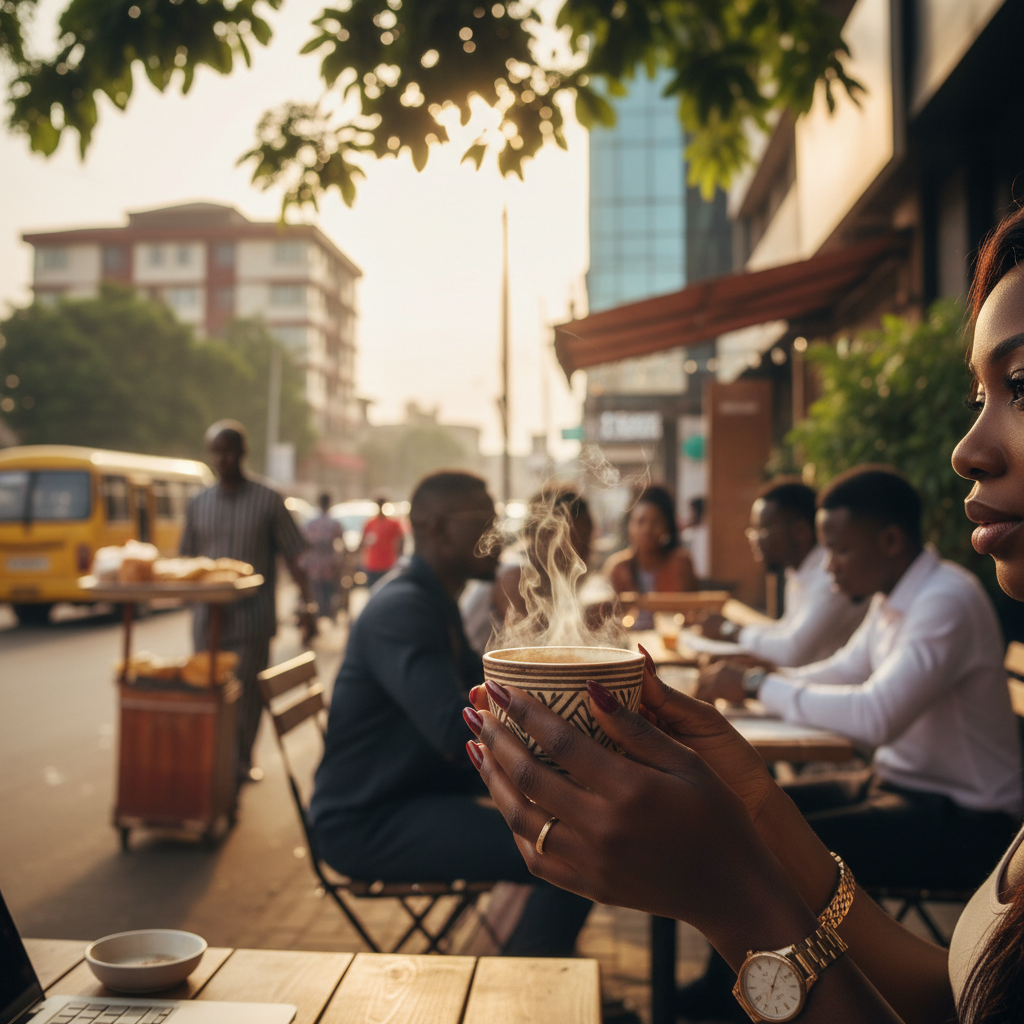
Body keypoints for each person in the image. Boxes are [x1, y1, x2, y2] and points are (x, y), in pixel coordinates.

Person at [462, 207, 1024, 1023]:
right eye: (980, 393)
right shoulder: (901, 598)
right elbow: (948, 999)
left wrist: (732, 897)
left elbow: (864, 705)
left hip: (946, 813)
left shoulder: (941, 599)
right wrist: (754, 802)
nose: (967, 449)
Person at [309, 470, 591, 957]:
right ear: (437, 528)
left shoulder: (431, 601)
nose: (498, 535)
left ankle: (536, 973)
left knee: (574, 828)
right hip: (366, 822)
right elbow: (451, 728)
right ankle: (537, 990)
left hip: (413, 794)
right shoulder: (403, 608)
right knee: (568, 850)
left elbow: (481, 702)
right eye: (485, 521)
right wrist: (556, 759)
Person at [180, 420, 314, 782]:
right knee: (208, 689)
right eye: (216, 453)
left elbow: (294, 555)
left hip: (252, 619)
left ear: (242, 453)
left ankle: (240, 760)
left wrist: (308, 605)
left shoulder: (268, 499)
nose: (223, 460)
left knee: (247, 696)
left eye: (229, 452)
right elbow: (187, 561)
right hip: (207, 619)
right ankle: (212, 757)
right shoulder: (199, 504)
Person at [697, 481, 866, 667]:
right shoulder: (798, 571)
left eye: (763, 531)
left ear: (800, 531)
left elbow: (790, 652)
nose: (755, 540)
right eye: (753, 531)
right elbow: (786, 629)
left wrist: (729, 630)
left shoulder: (831, 577)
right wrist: (732, 629)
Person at [604, 485, 696, 627]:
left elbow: (692, 611)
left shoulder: (680, 563)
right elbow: (609, 618)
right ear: (630, 526)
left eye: (656, 522)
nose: (647, 529)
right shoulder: (617, 567)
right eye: (640, 521)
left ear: (667, 527)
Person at [302, 493, 345, 622]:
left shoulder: (311, 523)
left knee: (316, 591)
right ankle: (326, 613)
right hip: (329, 564)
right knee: (329, 591)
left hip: (315, 564)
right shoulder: (333, 523)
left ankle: (319, 615)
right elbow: (343, 544)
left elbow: (303, 544)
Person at [359, 497, 405, 587]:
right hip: (373, 564)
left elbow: (401, 540)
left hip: (388, 564)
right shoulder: (370, 523)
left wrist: (399, 558)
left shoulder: (393, 523)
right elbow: (362, 542)